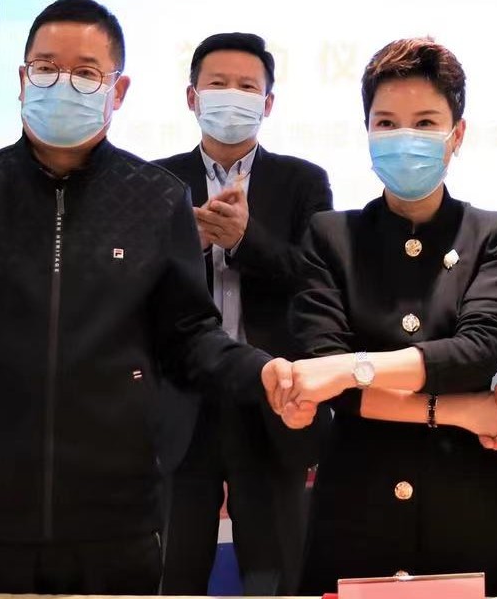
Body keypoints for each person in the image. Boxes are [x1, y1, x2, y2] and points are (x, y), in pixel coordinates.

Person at [0, 0, 300, 595]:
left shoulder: (156, 197)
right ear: (22, 79)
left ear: (117, 90)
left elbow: (189, 335)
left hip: (116, 517)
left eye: (85, 73)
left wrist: (261, 372)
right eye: (46, 68)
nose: (63, 84)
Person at [281, 37, 497, 596]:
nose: (405, 137)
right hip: (356, 501)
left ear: (457, 134)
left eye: (425, 123)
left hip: (467, 502)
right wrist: (465, 411)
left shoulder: (496, 234)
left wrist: (351, 368)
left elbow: (476, 351)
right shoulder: (330, 236)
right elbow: (329, 381)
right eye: (387, 123)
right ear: (367, 131)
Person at [153, 33, 334, 595]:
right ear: (192, 97)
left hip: (272, 398)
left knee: (275, 575)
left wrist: (244, 239)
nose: (232, 95)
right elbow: (136, 288)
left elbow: (317, 279)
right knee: (172, 572)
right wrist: (189, 244)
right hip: (180, 400)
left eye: (247, 86)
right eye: (218, 84)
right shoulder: (155, 181)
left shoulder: (303, 181)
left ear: (268, 103)